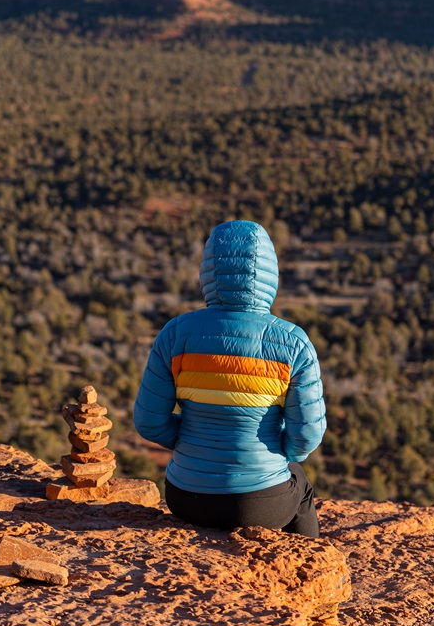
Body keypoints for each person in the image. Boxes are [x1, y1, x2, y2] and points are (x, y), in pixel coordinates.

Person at [133, 220, 326, 536]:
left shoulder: (175, 334)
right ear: (270, 273)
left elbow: (148, 422)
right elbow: (306, 436)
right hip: (261, 504)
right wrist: (281, 454)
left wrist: (189, 441)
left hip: (185, 498)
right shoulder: (293, 342)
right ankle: (307, 573)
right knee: (300, 485)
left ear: (209, 271)